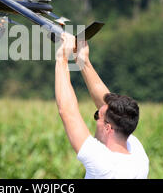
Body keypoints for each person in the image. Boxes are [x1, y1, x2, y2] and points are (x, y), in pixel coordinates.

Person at [55, 33, 149, 179]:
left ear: (108, 128)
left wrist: (62, 58)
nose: (95, 119)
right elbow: (107, 106)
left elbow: (67, 111)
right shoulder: (138, 155)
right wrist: (83, 62)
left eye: (97, 116)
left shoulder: (103, 164)